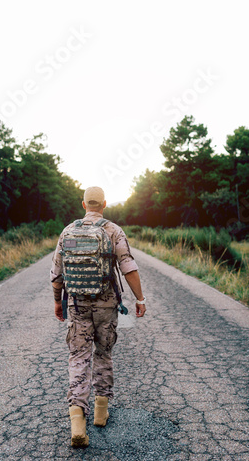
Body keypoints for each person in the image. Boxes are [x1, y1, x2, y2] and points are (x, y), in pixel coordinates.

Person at [50, 186, 146, 448]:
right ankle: (101, 412)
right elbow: (128, 266)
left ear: (84, 204)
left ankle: (77, 421)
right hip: (106, 305)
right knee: (103, 354)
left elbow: (57, 273)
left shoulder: (68, 231)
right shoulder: (113, 230)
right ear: (103, 204)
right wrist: (139, 298)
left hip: (78, 305)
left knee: (79, 357)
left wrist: (58, 302)